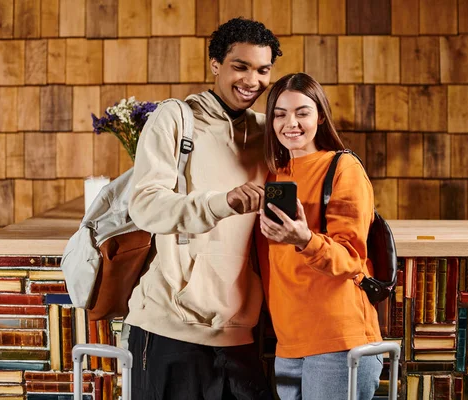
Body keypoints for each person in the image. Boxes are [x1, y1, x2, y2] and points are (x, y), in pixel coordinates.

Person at [126, 18, 282, 400]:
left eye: (262, 70)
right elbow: (145, 205)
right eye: (240, 66)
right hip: (170, 327)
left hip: (241, 330)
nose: (252, 81)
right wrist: (222, 202)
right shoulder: (176, 119)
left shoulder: (270, 131)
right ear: (215, 64)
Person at [257, 72, 383, 400]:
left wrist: (304, 239)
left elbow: (351, 259)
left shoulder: (343, 168)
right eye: (280, 114)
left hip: (338, 341)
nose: (291, 123)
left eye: (302, 112)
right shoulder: (272, 174)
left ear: (321, 116)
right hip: (288, 342)